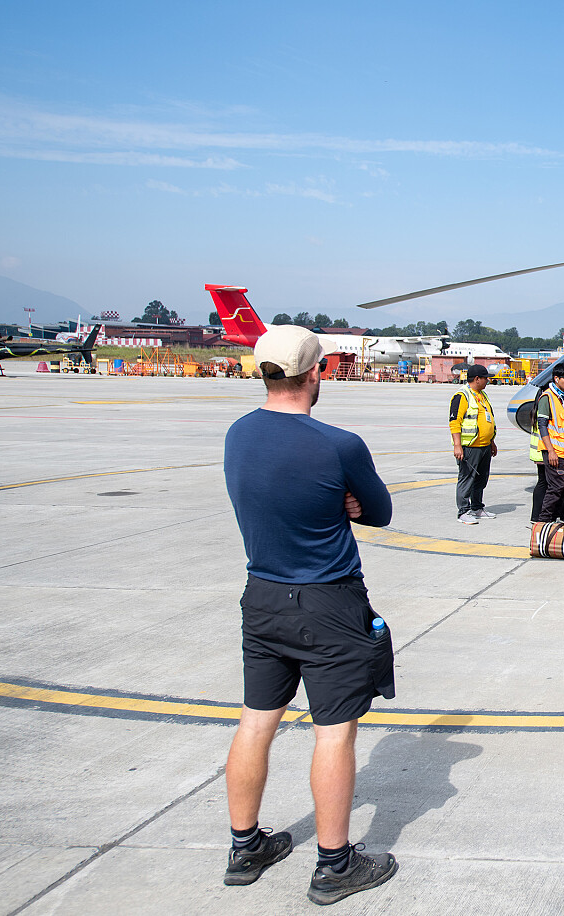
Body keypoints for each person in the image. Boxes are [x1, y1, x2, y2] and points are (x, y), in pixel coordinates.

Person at [221, 325, 399, 905]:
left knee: (256, 720)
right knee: (334, 730)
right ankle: (334, 864)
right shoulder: (338, 444)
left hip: (262, 596)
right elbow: (379, 511)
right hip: (328, 601)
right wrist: (345, 503)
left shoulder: (239, 434)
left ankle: (245, 846)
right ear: (315, 372)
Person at [532, 364, 564, 524]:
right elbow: (542, 426)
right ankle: (544, 521)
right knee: (556, 487)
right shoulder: (547, 397)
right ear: (556, 378)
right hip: (554, 452)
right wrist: (550, 451)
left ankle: (559, 517)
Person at [449, 363, 498, 525]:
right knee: (467, 478)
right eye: (485, 378)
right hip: (469, 446)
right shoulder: (462, 396)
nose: (487, 381)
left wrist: (491, 441)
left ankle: (477, 507)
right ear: (477, 379)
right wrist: (457, 445)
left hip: (484, 446)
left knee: (481, 479)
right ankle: (463, 511)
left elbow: (488, 419)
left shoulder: (482, 395)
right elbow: (455, 422)